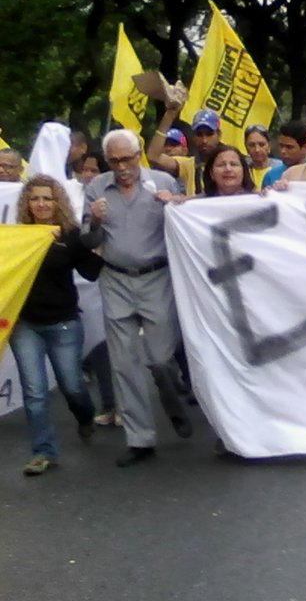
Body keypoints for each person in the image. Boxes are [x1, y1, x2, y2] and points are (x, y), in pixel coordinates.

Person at [83, 129, 193, 467]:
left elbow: (186, 222)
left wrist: (176, 203)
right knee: (124, 362)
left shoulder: (161, 181)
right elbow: (88, 242)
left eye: (127, 159)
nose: (121, 167)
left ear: (139, 154)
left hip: (156, 277)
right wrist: (96, 221)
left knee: (160, 358)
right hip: (115, 278)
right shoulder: (96, 188)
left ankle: (171, 396)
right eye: (114, 161)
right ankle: (140, 438)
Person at [10, 175, 100, 475]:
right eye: (35, 198)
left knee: (72, 385)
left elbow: (91, 273)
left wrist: (96, 244)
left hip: (63, 323)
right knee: (34, 392)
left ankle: (85, 417)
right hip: (25, 325)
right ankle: (43, 452)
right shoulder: (16, 237)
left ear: (57, 202)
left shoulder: (70, 235)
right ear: (27, 203)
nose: (41, 204)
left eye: (47, 198)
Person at [147, 103, 222, 196]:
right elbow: (153, 157)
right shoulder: (188, 165)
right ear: (194, 137)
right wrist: (169, 116)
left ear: (219, 135)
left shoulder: (231, 164)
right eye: (199, 134)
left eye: (209, 134)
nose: (204, 140)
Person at [261, 121, 306, 188]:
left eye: (289, 147)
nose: (283, 151)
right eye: (281, 146)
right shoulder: (271, 175)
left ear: (305, 147)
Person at [244, 125, 283, 190]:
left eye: (261, 144)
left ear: (269, 146)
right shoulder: (242, 171)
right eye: (252, 145)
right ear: (246, 147)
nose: (257, 149)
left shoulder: (282, 169)